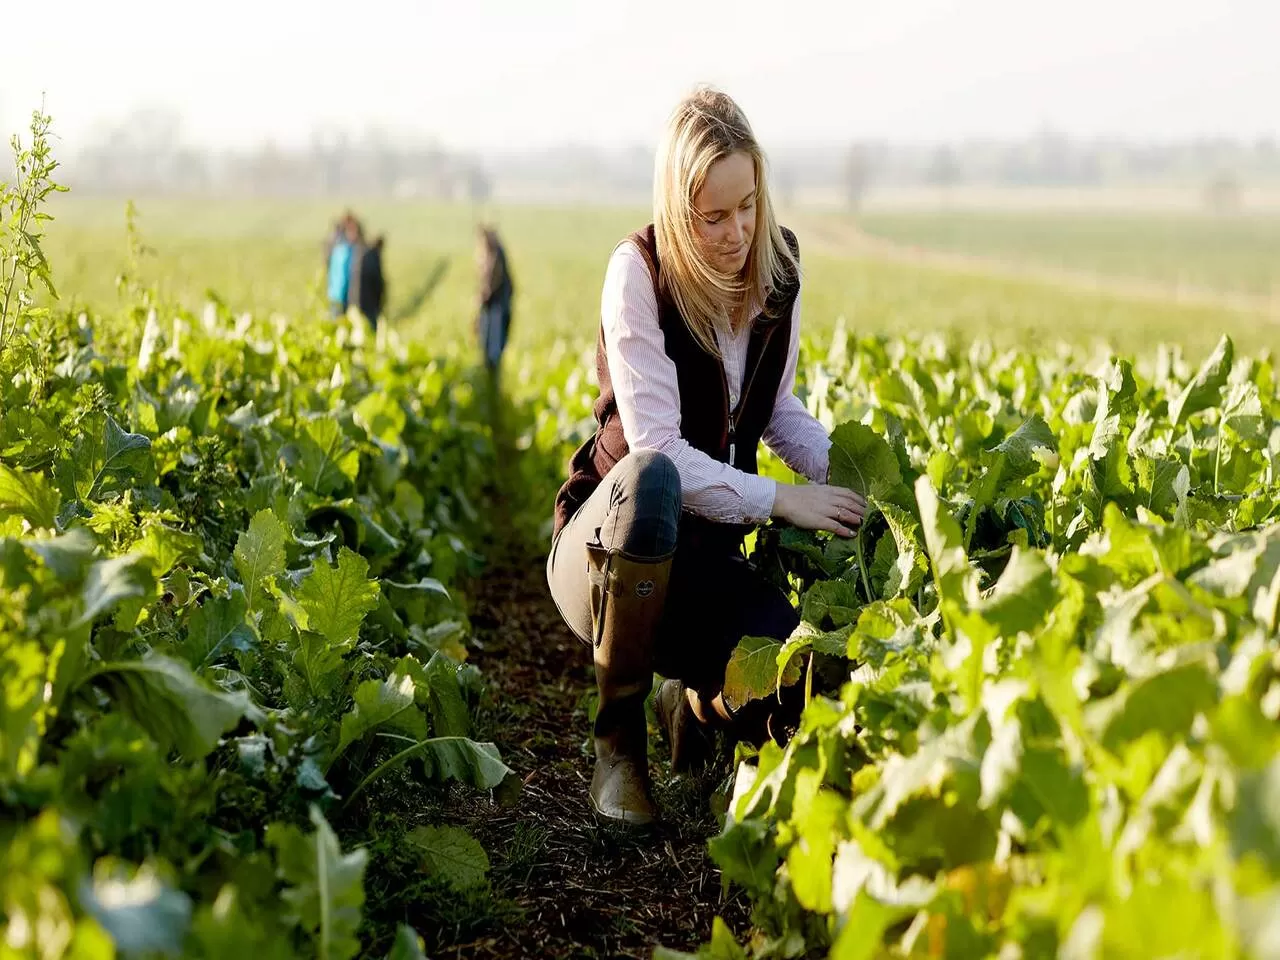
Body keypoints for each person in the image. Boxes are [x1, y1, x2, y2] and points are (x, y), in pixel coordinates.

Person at [545, 87, 867, 827]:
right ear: (677, 210)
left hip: (702, 564)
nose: (737, 231)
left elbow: (776, 407)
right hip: (605, 556)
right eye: (713, 217)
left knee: (805, 686)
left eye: (747, 205)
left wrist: (851, 475)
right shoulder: (638, 273)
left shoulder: (777, 269)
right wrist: (783, 499)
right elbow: (660, 453)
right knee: (655, 481)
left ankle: (695, 702)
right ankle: (618, 744)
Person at [475, 226, 514, 372]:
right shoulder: (495, 255)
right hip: (495, 306)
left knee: (493, 349)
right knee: (491, 347)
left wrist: (483, 297)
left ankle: (492, 377)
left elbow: (492, 285)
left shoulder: (495, 257)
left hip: (496, 307)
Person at [327, 213, 361, 317]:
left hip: (337, 295)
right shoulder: (343, 251)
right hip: (339, 297)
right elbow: (341, 278)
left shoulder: (340, 248)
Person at [357, 234, 386, 330]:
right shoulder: (374, 258)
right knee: (371, 327)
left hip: (362, 300)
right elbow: (377, 283)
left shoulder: (366, 255)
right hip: (370, 302)